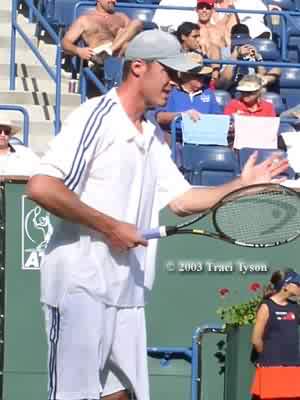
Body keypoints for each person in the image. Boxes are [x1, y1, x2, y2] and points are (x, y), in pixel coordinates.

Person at [26, 30, 288, 400]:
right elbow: (41, 186)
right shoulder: (95, 117)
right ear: (138, 67)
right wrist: (110, 226)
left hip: (128, 289)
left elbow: (182, 199)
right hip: (80, 285)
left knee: (122, 394)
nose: (176, 82)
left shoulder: (152, 135)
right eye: (169, 71)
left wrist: (240, 187)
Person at [251, 269, 300, 400]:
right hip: (271, 367)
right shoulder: (266, 307)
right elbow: (256, 340)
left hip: (293, 367)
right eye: (297, 284)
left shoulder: (295, 307)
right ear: (285, 286)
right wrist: (266, 356)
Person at [62, 0, 143, 65]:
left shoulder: (121, 17)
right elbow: (65, 42)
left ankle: (109, 51)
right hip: (98, 55)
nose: (114, 1)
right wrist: (78, 50)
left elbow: (134, 34)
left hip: (118, 53)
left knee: (135, 24)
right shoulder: (85, 19)